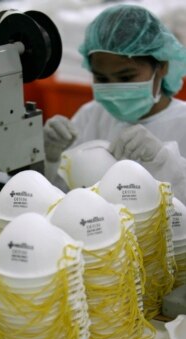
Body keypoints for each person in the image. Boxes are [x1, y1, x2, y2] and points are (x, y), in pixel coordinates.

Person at [44, 4, 186, 205]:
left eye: (126, 77)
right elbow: (59, 196)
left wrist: (162, 160)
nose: (113, 88)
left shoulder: (182, 123)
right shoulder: (91, 116)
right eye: (101, 79)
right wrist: (50, 158)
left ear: (162, 67)